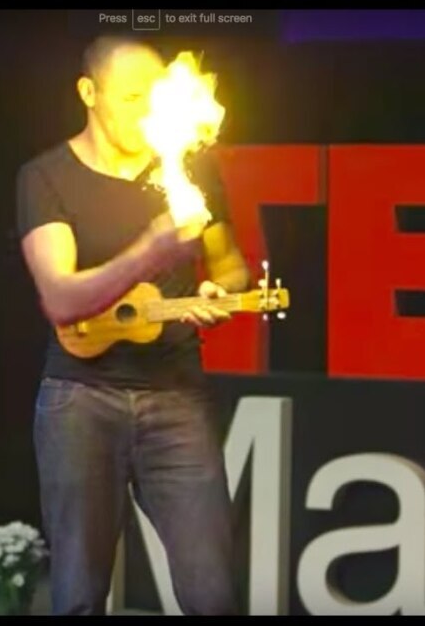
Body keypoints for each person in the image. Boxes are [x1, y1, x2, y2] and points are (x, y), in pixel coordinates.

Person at [14, 35, 249, 615]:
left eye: (154, 96)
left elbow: (230, 267)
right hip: (80, 398)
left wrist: (220, 293)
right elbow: (61, 298)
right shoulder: (46, 177)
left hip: (176, 395)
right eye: (130, 97)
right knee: (78, 594)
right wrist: (149, 252)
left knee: (213, 593)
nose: (146, 113)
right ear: (88, 92)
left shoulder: (189, 168)